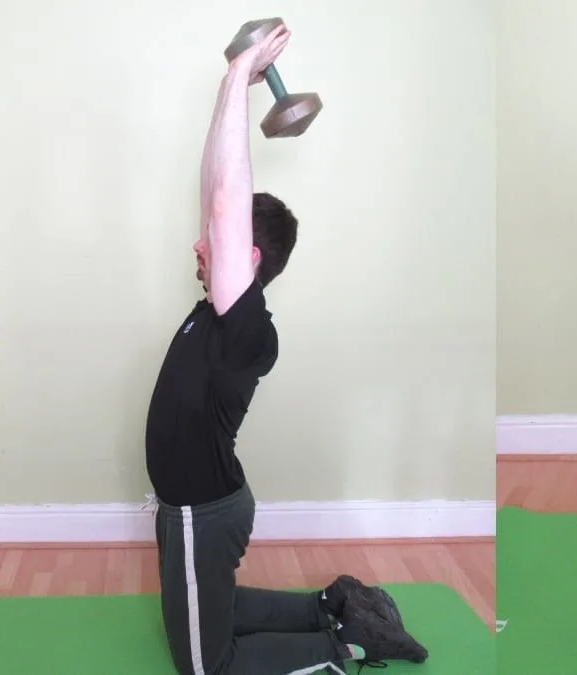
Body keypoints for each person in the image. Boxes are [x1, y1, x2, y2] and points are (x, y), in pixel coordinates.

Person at [143, 21, 429, 674]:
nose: (198, 243)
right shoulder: (219, 314)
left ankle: (349, 646)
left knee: (203, 666)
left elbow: (223, 203)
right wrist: (231, 82)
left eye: (213, 244)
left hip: (202, 510)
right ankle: (335, 605)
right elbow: (213, 188)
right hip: (200, 506)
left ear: (242, 259)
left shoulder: (243, 329)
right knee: (209, 610)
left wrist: (244, 78)